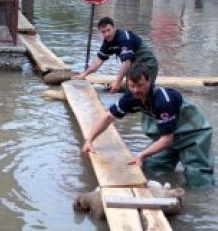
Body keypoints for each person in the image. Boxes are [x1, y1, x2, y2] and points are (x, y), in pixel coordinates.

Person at [82, 63, 215, 188]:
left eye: (140, 86)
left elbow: (166, 139)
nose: (136, 91)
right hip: (171, 136)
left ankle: (201, 205)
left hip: (193, 135)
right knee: (150, 166)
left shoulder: (163, 101)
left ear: (149, 81)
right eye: (132, 86)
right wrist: (90, 140)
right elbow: (108, 117)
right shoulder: (131, 97)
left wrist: (141, 155)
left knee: (198, 179)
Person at [73, 17, 158, 94]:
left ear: (114, 28)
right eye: (103, 32)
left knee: (143, 90)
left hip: (147, 64)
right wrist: (84, 74)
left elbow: (126, 63)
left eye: (108, 30)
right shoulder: (107, 42)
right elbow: (98, 61)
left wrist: (117, 82)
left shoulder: (124, 38)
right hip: (134, 66)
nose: (106, 34)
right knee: (131, 90)